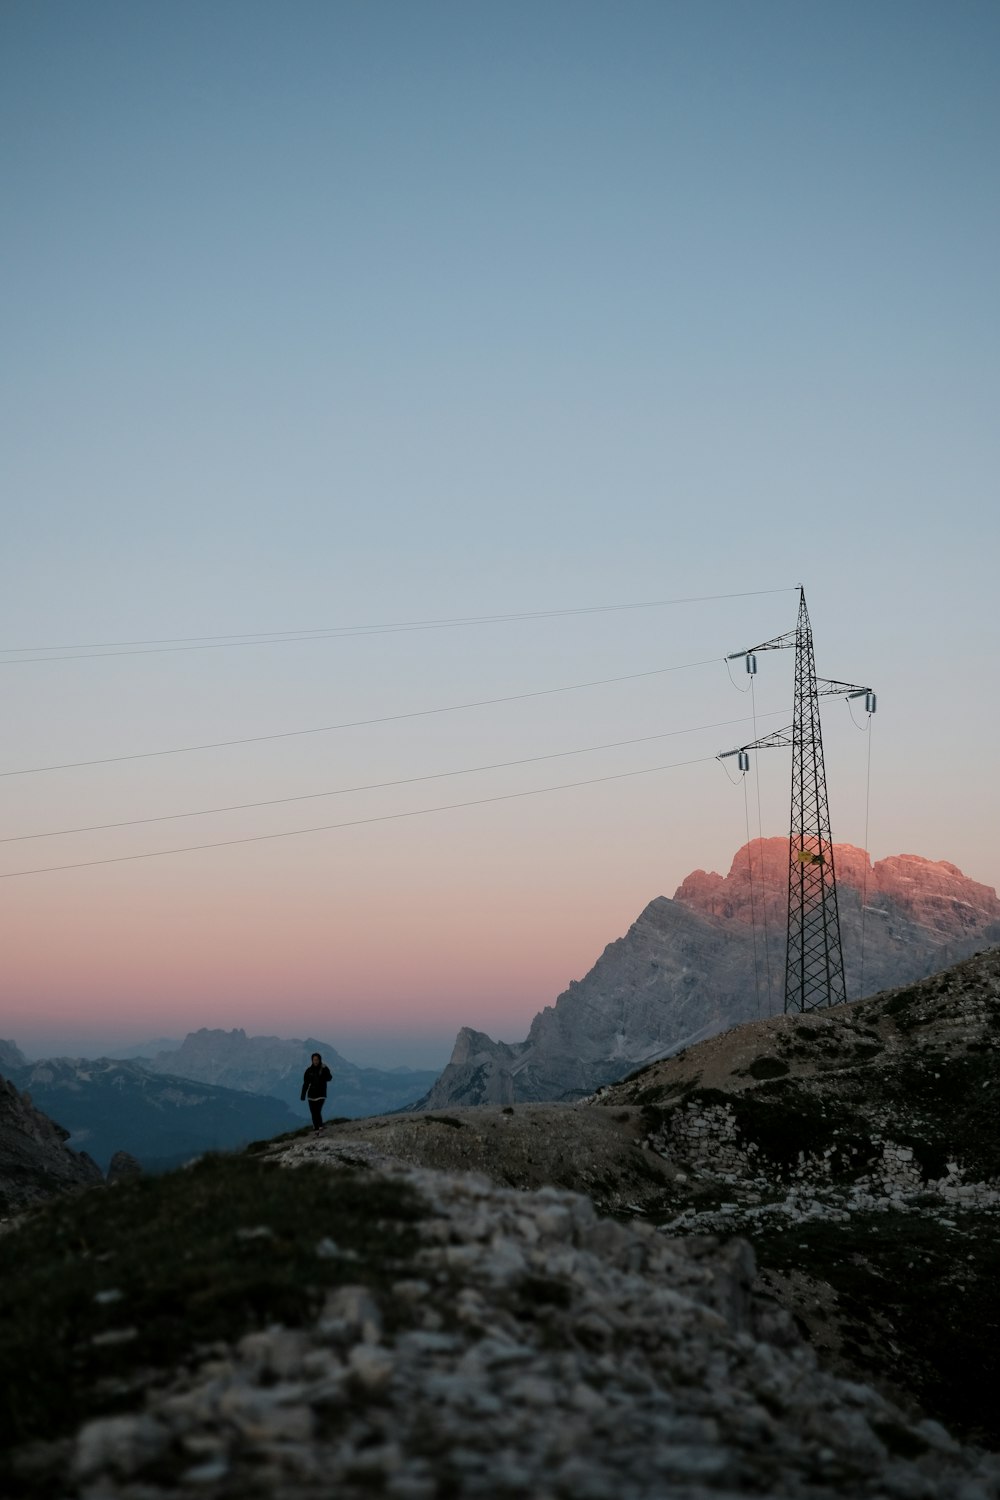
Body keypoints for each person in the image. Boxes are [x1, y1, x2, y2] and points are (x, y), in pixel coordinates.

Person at [300, 1052, 333, 1132]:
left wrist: (325, 1069)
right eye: (314, 1060)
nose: (316, 1061)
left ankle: (320, 1127)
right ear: (312, 1060)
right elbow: (306, 1083)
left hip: (321, 1094)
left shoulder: (324, 1068)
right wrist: (303, 1094)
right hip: (311, 1095)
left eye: (317, 1060)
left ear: (320, 1060)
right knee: (313, 1113)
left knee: (317, 1111)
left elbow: (329, 1078)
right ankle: (316, 1130)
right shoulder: (309, 1070)